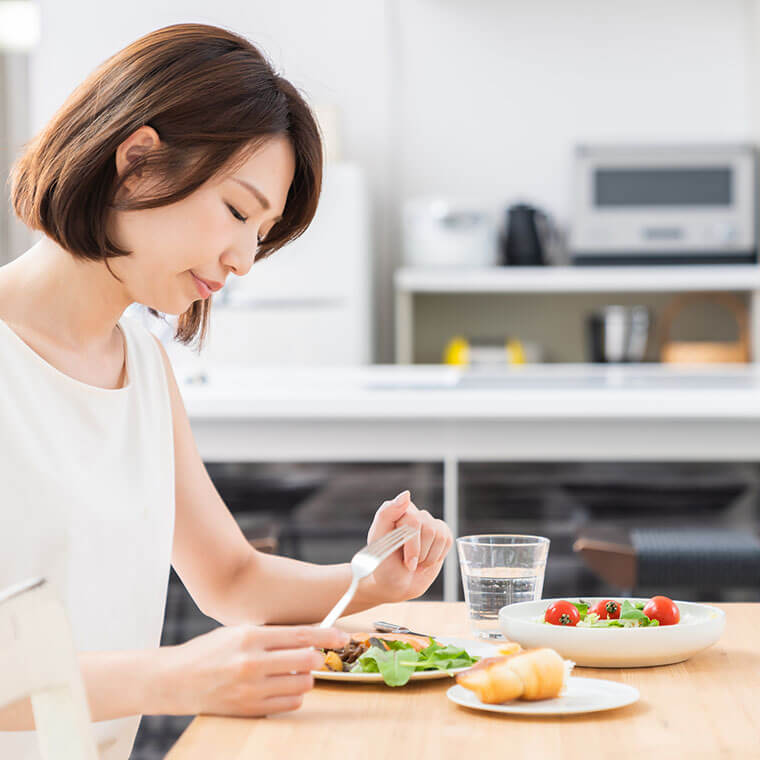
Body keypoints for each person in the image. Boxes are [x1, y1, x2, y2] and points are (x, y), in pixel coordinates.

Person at [0, 23, 452, 759]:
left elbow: (232, 580)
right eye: (239, 213)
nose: (243, 260)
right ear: (137, 163)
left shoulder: (140, 365)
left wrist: (370, 580)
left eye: (262, 234)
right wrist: (170, 678)